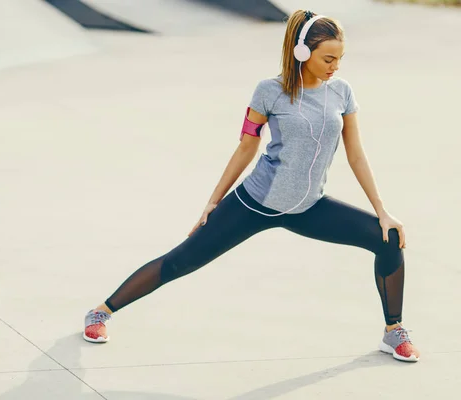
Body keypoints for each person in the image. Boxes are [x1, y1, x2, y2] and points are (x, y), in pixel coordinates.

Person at [82, 9, 420, 363]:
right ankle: (102, 311)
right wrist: (212, 202)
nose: (335, 65)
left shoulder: (342, 92)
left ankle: (393, 331)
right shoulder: (269, 91)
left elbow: (356, 155)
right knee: (181, 261)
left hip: (309, 207)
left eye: (340, 58)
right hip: (255, 203)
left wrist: (382, 211)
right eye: (328, 58)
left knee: (389, 238)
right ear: (302, 52)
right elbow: (246, 146)